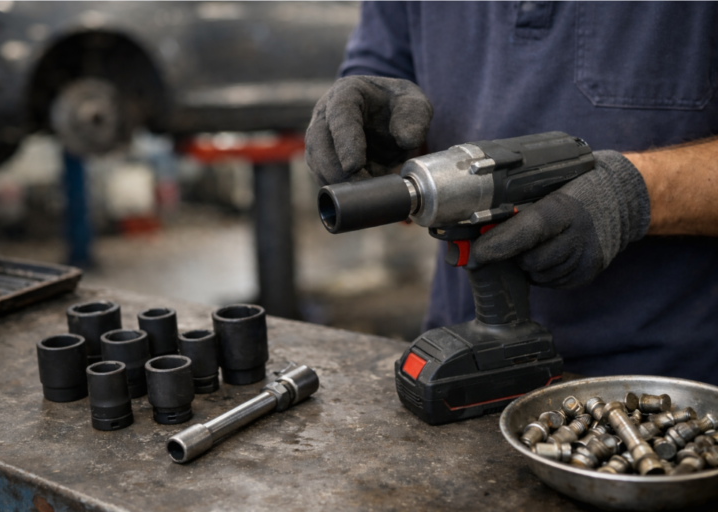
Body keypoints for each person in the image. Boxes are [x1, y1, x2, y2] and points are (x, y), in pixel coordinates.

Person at [305, 2, 718, 385]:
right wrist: (374, 134)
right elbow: (384, 68)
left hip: (661, 385)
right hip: (464, 351)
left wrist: (633, 194)